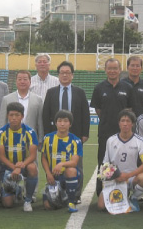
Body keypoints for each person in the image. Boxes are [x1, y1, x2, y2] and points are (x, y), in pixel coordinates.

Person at [42, 61, 90, 202]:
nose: (64, 75)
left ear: (72, 75)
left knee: (76, 165)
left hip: (75, 135)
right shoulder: (51, 92)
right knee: (53, 163)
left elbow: (85, 114)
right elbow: (46, 114)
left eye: (67, 73)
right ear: (58, 75)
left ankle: (76, 195)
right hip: (55, 136)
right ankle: (55, 190)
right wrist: (46, 134)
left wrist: (85, 134)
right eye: (62, 73)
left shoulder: (79, 92)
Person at [91, 58, 132, 195]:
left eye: (115, 68)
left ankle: (124, 190)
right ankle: (102, 191)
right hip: (105, 132)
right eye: (110, 68)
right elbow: (98, 110)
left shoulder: (127, 88)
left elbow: (129, 109)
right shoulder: (99, 88)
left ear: (120, 70)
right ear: (105, 70)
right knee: (104, 162)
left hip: (123, 133)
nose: (112, 71)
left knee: (122, 161)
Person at [97, 109, 143, 212]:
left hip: (132, 178)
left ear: (132, 124)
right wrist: (116, 175)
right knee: (101, 206)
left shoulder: (140, 141)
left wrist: (128, 175)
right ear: (119, 123)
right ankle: (124, 196)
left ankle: (134, 198)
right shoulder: (111, 140)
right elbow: (105, 165)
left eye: (128, 121)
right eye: (122, 121)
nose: (125, 124)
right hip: (115, 178)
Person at [0, 102, 39, 212]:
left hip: (23, 166)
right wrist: (14, 167)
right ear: (7, 116)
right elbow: (1, 156)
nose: (14, 118)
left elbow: (33, 155)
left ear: (22, 116)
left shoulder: (30, 132)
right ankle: (17, 190)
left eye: (17, 115)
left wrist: (21, 166)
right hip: (7, 168)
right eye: (11, 115)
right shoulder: (1, 132)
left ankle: (28, 200)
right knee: (7, 204)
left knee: (33, 168)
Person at [40, 110, 82, 212]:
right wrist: (48, 174)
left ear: (70, 124)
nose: (62, 124)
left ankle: (71, 201)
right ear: (55, 123)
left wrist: (61, 164)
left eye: (65, 121)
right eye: (59, 121)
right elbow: (43, 157)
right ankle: (62, 195)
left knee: (70, 170)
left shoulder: (75, 140)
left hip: (68, 175)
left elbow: (74, 162)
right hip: (53, 177)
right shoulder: (47, 138)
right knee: (48, 206)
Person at [0, 70, 44, 142]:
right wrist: (1, 138)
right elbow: (2, 121)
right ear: (16, 82)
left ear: (30, 82)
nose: (22, 82)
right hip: (11, 138)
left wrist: (41, 139)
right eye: (19, 79)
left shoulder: (38, 99)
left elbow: (40, 122)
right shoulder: (7, 99)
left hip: (31, 138)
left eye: (25, 79)